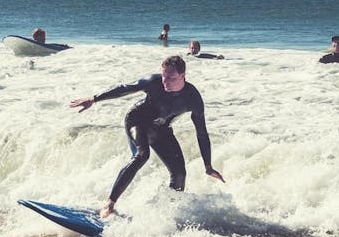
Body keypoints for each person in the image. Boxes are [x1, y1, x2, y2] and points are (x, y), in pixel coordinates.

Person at [69, 56, 225, 218]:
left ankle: (167, 214)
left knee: (179, 173)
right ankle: (109, 205)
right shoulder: (154, 82)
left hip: (161, 128)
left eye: (171, 78)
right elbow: (125, 88)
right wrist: (94, 99)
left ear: (183, 76)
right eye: (164, 76)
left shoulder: (193, 98)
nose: (166, 81)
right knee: (142, 155)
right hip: (137, 120)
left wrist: (208, 165)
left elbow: (201, 132)